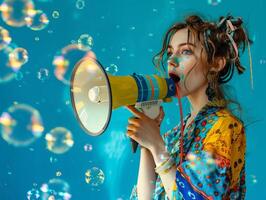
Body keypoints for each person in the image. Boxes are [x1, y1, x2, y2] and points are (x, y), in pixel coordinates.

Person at [126, 14, 253, 200]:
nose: (171, 60)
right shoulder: (172, 137)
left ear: (216, 64)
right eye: (170, 52)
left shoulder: (225, 128)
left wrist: (156, 146)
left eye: (185, 51)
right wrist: (147, 143)